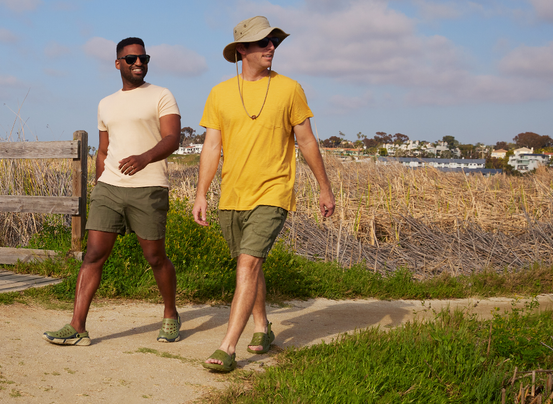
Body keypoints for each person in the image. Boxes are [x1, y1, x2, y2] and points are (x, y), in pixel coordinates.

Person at [193, 16, 336, 372]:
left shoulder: (289, 89)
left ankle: (227, 348)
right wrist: (201, 194)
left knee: (248, 263)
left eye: (273, 41)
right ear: (242, 50)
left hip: (273, 190)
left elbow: (306, 141)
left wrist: (324, 187)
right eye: (263, 43)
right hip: (232, 196)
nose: (271, 47)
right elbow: (211, 147)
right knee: (249, 265)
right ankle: (262, 327)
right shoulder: (220, 93)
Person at [43, 37, 182, 346]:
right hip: (110, 188)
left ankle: (171, 314)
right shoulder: (106, 103)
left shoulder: (162, 95)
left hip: (149, 187)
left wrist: (145, 157)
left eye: (143, 58)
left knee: (155, 257)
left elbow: (173, 138)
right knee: (93, 254)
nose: (138, 64)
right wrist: (98, 182)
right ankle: (77, 325)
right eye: (131, 59)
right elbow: (103, 150)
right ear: (118, 63)